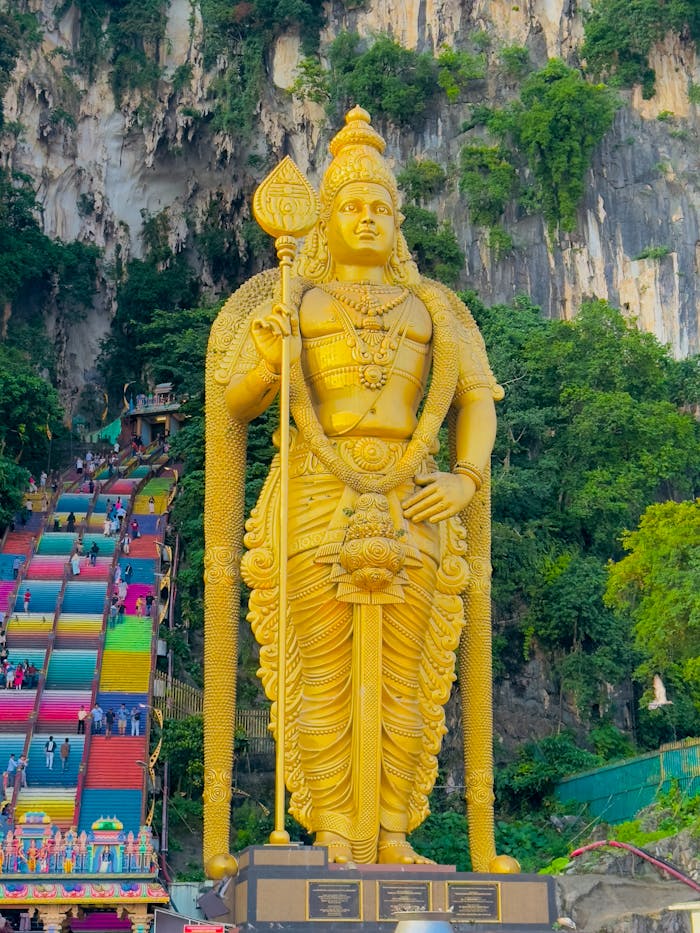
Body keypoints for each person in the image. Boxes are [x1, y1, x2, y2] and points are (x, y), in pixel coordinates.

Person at [204, 109, 503, 869]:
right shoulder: (295, 301)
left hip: (415, 493)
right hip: (315, 489)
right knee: (321, 667)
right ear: (323, 221)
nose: (365, 218)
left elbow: (477, 399)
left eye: (379, 207)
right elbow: (234, 402)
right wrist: (272, 359)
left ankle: (395, 831)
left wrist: (465, 477)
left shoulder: (433, 309)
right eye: (351, 206)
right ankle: (335, 830)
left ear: (397, 222)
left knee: (410, 674)